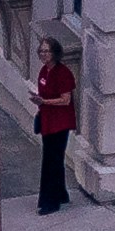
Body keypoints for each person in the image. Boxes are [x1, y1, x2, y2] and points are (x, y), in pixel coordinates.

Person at [34, 44, 78, 214]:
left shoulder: (63, 73)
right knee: (53, 159)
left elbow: (65, 99)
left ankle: (50, 202)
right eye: (42, 51)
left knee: (52, 161)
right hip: (48, 121)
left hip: (60, 123)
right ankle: (61, 193)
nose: (44, 54)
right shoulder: (44, 71)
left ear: (55, 53)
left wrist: (44, 102)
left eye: (47, 51)